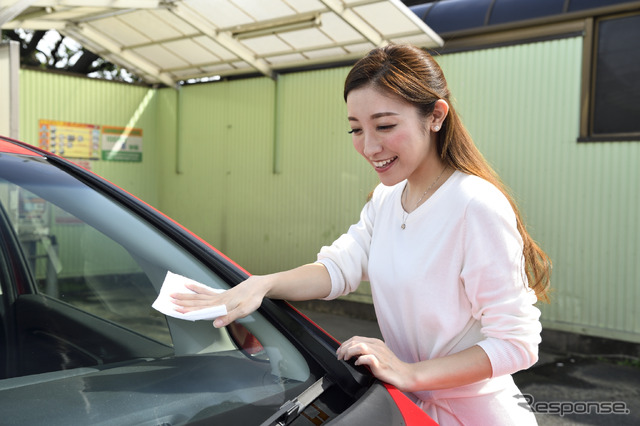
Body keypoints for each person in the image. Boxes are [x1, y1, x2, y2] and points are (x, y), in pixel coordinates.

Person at [172, 43, 551, 425]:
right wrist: (260, 285)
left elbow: (516, 343)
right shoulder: (387, 199)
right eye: (356, 128)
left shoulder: (475, 205)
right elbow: (338, 268)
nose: (369, 146)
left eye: (385, 126)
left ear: (435, 116)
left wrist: (409, 373)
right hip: (407, 408)